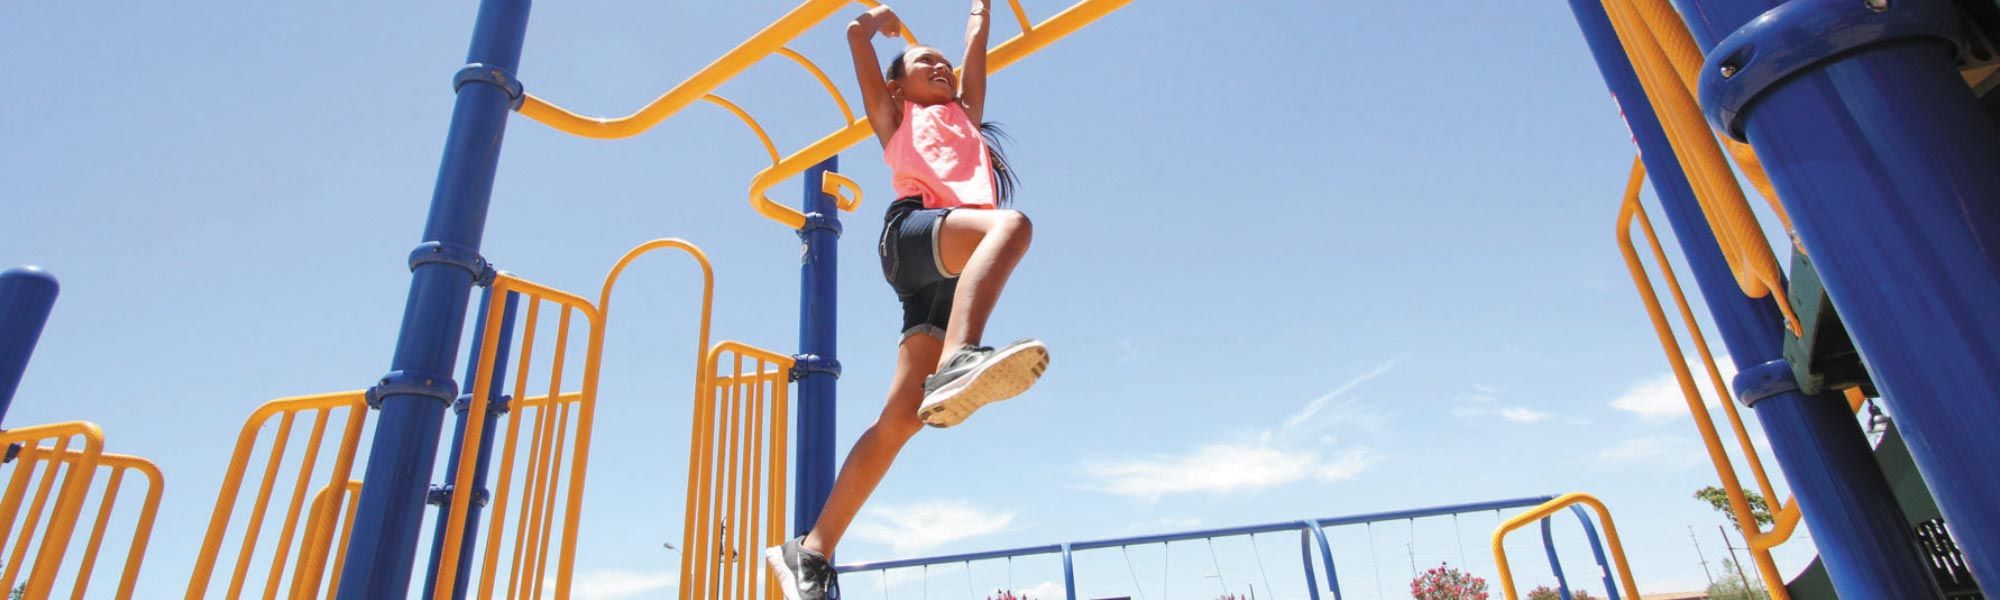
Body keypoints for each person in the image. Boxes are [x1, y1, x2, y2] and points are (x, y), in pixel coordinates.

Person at [764, 2, 1049, 597]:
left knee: (899, 420)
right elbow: (852, 35)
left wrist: (981, 8)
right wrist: (878, 23)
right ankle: (959, 361)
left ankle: (811, 551)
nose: (941, 67)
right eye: (927, 62)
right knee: (1010, 226)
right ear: (898, 87)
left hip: (946, 275)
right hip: (915, 234)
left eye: (945, 65)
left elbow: (975, 40)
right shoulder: (895, 118)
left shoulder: (966, 115)